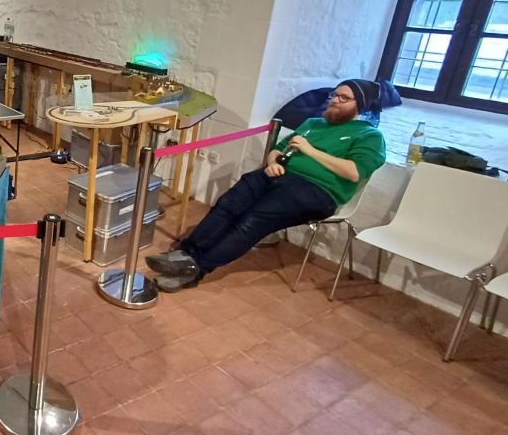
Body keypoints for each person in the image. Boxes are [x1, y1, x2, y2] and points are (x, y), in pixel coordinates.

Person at [147, 79, 386, 293]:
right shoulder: (313, 123)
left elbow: (354, 172)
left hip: (317, 191)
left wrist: (310, 150)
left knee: (250, 221)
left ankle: (195, 269)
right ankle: (185, 254)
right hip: (277, 176)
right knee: (228, 204)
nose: (335, 101)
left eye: (344, 98)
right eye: (334, 95)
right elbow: (278, 149)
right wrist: (272, 163)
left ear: (360, 105)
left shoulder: (369, 135)